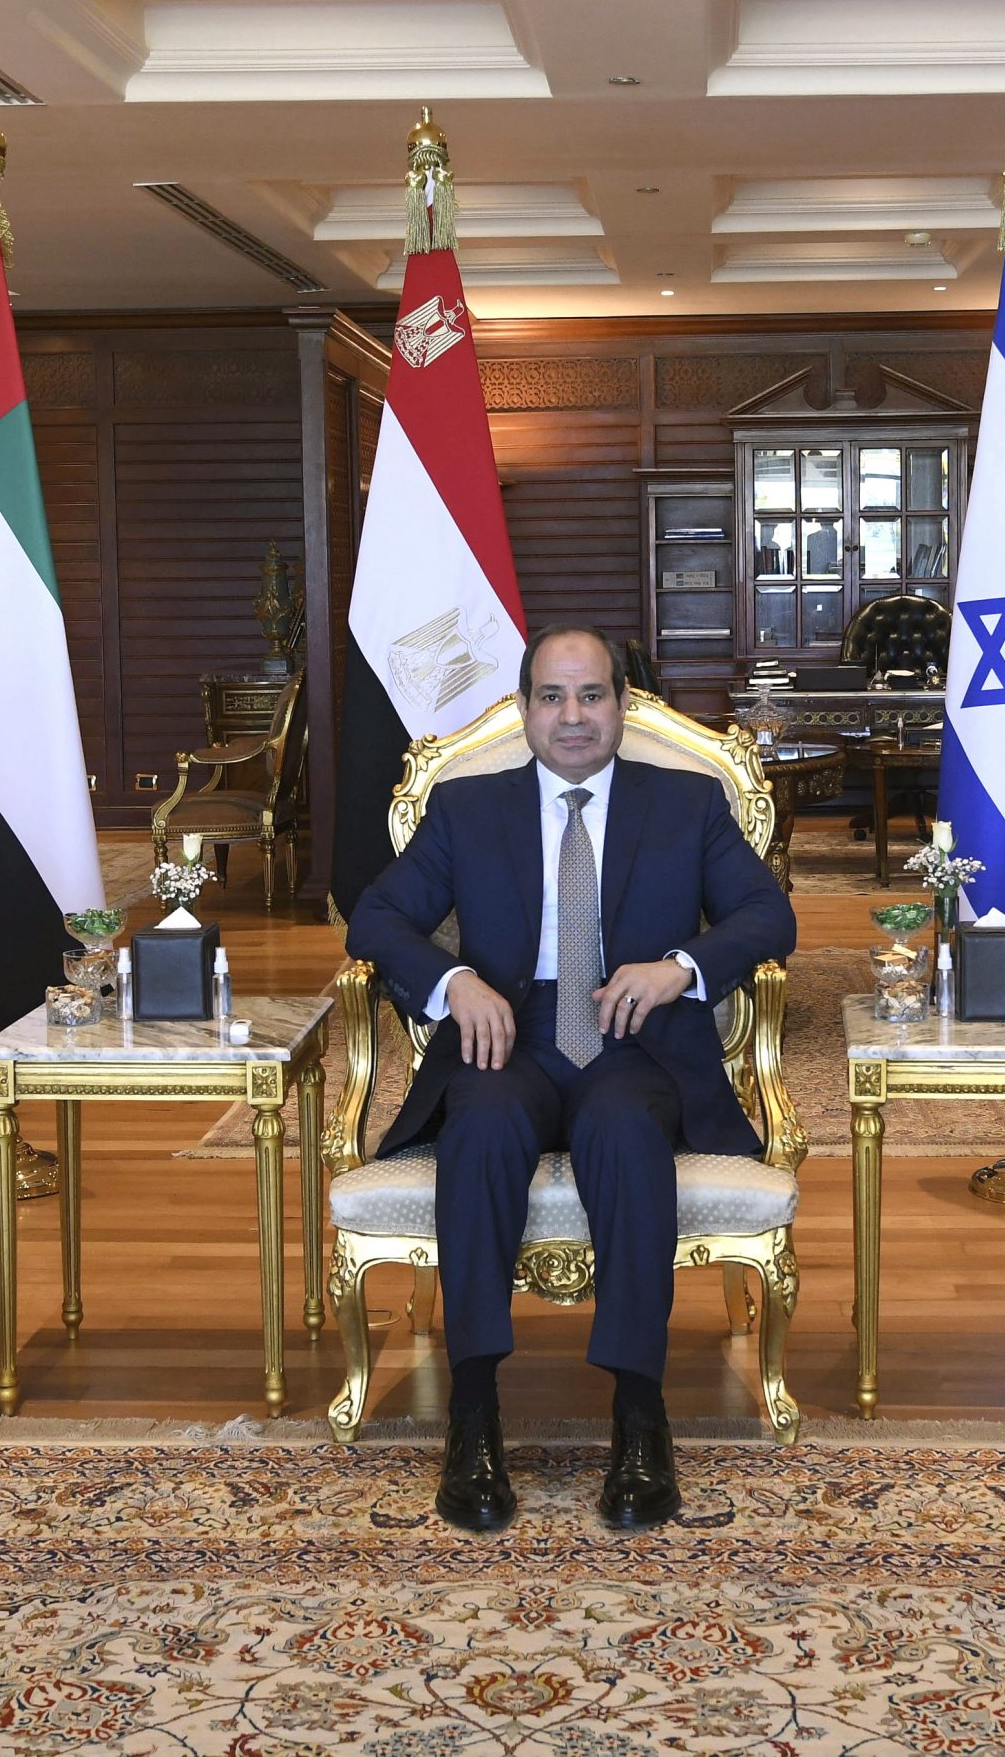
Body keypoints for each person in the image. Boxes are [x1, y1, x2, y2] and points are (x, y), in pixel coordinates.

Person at [346, 626, 796, 1533]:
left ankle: (640, 1416)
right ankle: (474, 1416)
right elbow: (377, 916)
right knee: (480, 1128)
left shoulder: (687, 801)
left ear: (623, 706)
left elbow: (767, 913)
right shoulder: (468, 807)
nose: (573, 716)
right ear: (524, 710)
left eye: (592, 695)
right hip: (504, 1038)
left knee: (625, 1134)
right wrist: (454, 981)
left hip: (634, 1042)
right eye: (552, 697)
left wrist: (678, 967)